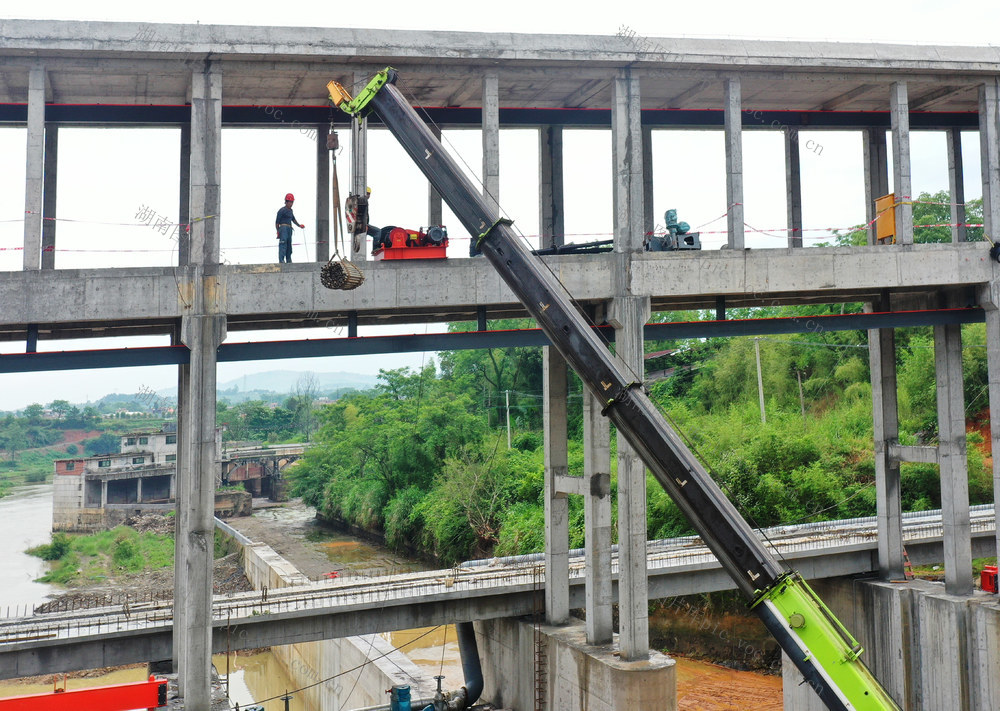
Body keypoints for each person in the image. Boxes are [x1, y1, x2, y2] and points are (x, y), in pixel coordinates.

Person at [275, 193, 305, 263]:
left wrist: (299, 225)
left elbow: (293, 219)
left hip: (289, 228)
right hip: (283, 228)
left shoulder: (291, 211)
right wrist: (278, 231)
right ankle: (281, 260)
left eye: (292, 202)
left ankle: (288, 260)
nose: (291, 204)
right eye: (290, 202)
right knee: (283, 243)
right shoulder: (282, 210)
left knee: (289, 245)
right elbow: (277, 222)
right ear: (286, 202)